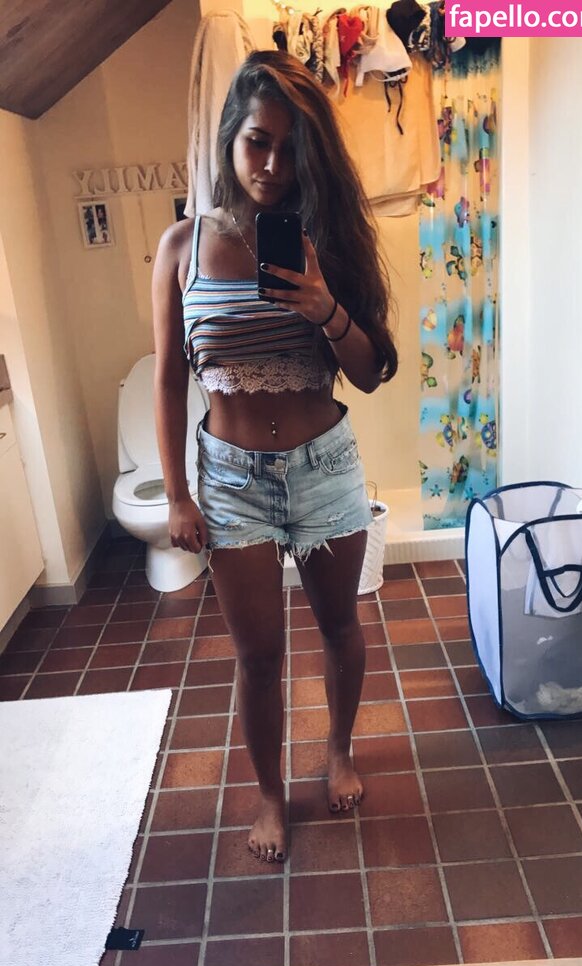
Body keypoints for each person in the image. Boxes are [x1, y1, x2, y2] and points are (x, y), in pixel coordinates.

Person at [152, 50, 398, 864]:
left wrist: (325, 305)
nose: (271, 166)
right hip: (230, 483)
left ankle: (337, 751)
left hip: (324, 468)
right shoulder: (181, 246)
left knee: (339, 625)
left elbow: (371, 370)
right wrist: (177, 495)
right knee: (258, 656)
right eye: (258, 142)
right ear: (231, 136)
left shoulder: (328, 239)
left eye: (291, 150)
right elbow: (166, 377)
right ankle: (267, 793)